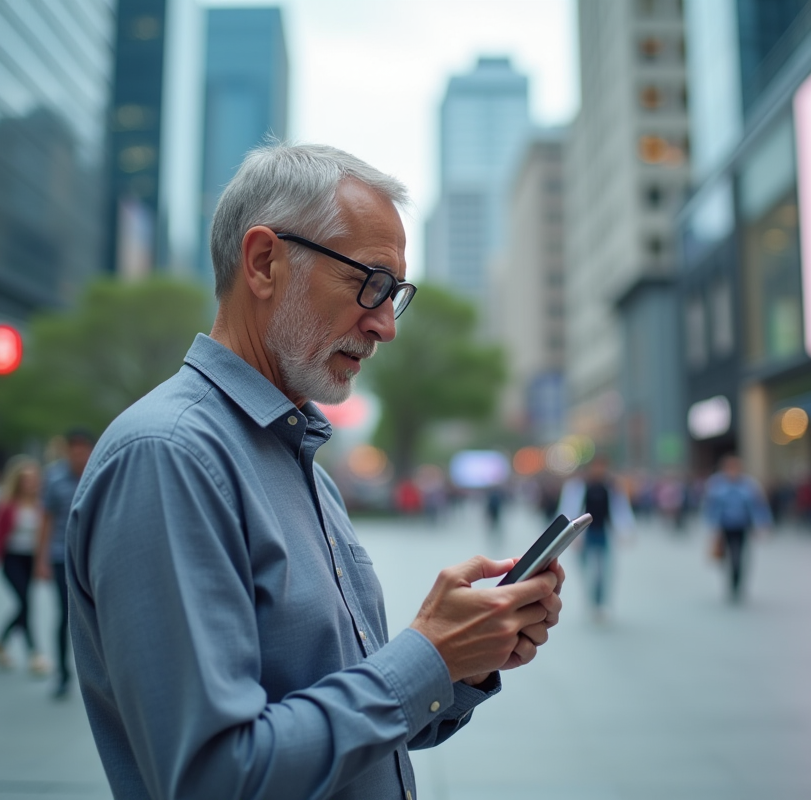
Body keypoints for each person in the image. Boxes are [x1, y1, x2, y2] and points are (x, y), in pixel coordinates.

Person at [65, 143, 564, 800]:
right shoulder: (169, 457)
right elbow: (215, 779)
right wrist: (427, 655)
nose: (386, 324)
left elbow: (355, 719)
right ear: (265, 262)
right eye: (372, 282)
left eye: (396, 294)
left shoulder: (304, 467)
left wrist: (460, 660)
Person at [35, 428, 95, 699]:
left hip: (94, 556)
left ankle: (98, 676)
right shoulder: (55, 478)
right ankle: (63, 674)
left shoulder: (100, 470)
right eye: (75, 449)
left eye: (84, 449)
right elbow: (46, 519)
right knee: (65, 615)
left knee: (97, 618)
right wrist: (41, 558)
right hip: (61, 556)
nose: (79, 454)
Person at [0, 456, 51, 675]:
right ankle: (34, 654)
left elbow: (46, 535)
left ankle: (0, 642)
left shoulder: (42, 504)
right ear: (18, 481)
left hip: (31, 559)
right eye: (26, 479)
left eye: (34, 478)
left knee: (24, 605)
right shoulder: (7, 505)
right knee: (25, 604)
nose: (31, 483)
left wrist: (43, 561)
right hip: (11, 559)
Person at [559, 457, 635, 620]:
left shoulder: (612, 487)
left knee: (602, 571)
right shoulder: (578, 486)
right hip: (584, 535)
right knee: (587, 571)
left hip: (603, 533)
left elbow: (621, 509)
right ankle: (591, 599)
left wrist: (626, 530)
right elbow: (568, 509)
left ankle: (599, 603)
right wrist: (570, 536)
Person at [703, 455, 772, 601]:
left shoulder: (749, 484)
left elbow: (758, 506)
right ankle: (731, 580)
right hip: (724, 527)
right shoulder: (716, 484)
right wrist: (712, 525)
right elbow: (710, 507)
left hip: (742, 526)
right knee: (727, 555)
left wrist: (762, 524)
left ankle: (737, 583)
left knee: (739, 555)